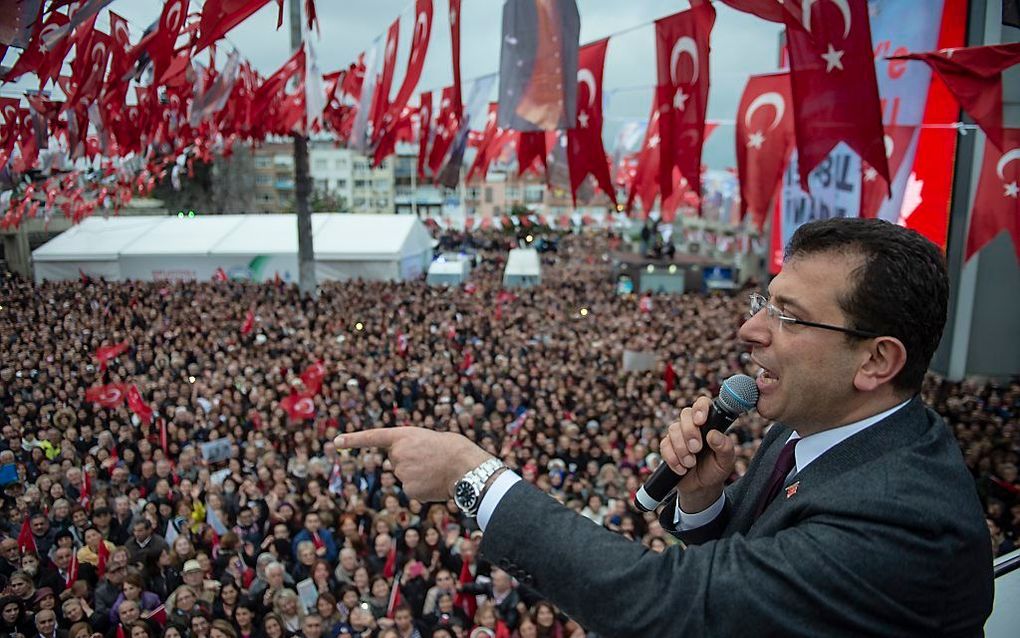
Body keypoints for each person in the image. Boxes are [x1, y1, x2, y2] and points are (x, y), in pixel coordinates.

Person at [335, 219, 995, 636]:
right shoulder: (802, 428)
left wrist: (469, 474)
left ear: (877, 360)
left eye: (790, 316)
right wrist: (705, 504)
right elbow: (755, 568)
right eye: (764, 301)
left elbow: (676, 608)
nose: (750, 329)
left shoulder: (904, 521)